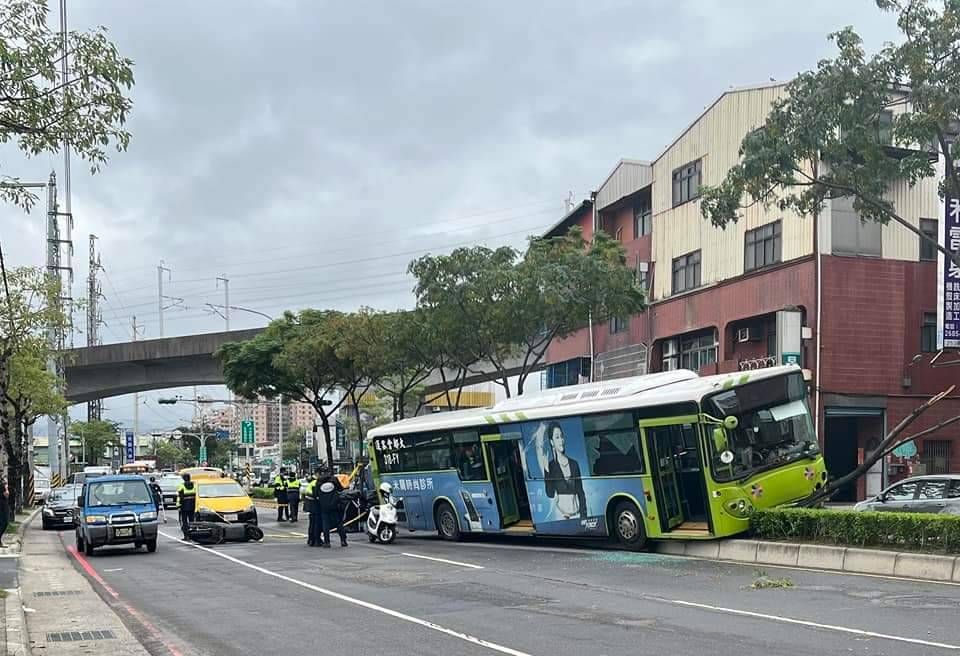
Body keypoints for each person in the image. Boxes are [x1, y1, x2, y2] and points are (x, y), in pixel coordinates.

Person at [535, 421, 587, 521]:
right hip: (560, 515)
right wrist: (546, 471)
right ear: (551, 442)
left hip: (576, 514)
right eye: (557, 437)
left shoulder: (574, 464)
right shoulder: (551, 466)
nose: (561, 440)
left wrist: (583, 516)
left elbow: (581, 492)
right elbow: (550, 493)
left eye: (561, 436)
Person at [315, 469, 346, 548]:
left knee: (325, 524)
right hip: (335, 504)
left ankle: (327, 542)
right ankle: (343, 540)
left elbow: (315, 493)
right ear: (329, 472)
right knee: (338, 522)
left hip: (324, 506)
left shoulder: (319, 481)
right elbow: (341, 489)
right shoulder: (334, 479)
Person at [304, 470, 323, 547]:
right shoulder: (316, 483)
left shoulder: (311, 482)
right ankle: (316, 540)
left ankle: (310, 540)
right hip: (315, 505)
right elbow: (317, 495)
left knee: (312, 523)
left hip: (310, 505)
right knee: (317, 523)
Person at [0, 479, 8, 548]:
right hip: (2, 506)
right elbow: (6, 494)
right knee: (4, 522)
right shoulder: (2, 484)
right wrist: (6, 487)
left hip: (3, 505)